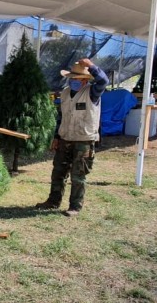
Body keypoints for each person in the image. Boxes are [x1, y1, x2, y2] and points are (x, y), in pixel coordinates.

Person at [36, 58, 108, 217]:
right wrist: (56, 136)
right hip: (65, 138)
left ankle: (75, 206)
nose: (73, 81)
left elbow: (104, 80)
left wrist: (90, 66)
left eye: (77, 78)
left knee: (78, 175)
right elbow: (61, 116)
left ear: (84, 80)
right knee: (58, 172)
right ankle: (53, 201)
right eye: (72, 78)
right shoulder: (66, 93)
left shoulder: (93, 92)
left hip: (84, 140)